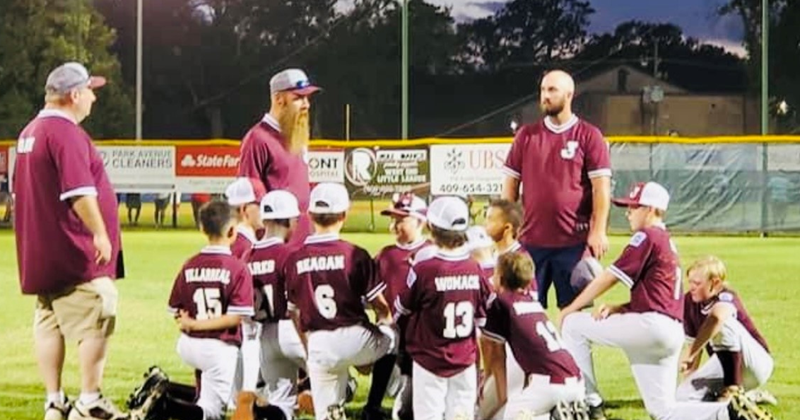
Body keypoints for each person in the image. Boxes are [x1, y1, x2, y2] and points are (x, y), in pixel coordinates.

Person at [558, 182, 772, 420]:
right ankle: (730, 412)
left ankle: (589, 404)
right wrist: (621, 308)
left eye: (633, 207)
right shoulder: (667, 242)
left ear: (650, 210)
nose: (628, 212)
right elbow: (659, 298)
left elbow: (609, 277)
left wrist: (571, 307)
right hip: (670, 332)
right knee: (663, 412)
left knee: (573, 324)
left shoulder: (647, 235)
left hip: (651, 327)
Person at [12, 62, 126, 420]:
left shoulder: (30, 131)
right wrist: (100, 232)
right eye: (90, 90)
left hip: (39, 250)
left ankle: (54, 401)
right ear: (74, 95)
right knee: (102, 305)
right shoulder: (66, 133)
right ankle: (90, 399)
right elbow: (78, 192)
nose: (93, 97)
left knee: (50, 321)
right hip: (71, 250)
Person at [131, 201, 255, 420]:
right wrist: (198, 325)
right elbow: (236, 317)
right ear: (232, 231)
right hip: (219, 347)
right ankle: (166, 406)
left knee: (204, 396)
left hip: (189, 344)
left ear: (201, 229)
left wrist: (190, 324)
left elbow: (175, 309)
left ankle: (164, 388)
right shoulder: (237, 268)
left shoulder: (190, 264)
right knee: (213, 413)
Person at [284, 182, 395, 420]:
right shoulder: (355, 254)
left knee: (327, 414)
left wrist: (307, 347)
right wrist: (380, 335)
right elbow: (383, 308)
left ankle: (342, 396)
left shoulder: (294, 259)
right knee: (394, 336)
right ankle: (395, 387)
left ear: (310, 214)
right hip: (357, 339)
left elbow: (293, 313)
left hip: (318, 342)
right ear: (344, 215)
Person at [501, 69, 611, 309]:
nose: (545, 96)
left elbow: (601, 188)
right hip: (530, 242)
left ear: (569, 94)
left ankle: (574, 349)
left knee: (574, 315)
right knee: (523, 312)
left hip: (574, 242)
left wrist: (598, 230)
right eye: (542, 90)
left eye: (552, 90)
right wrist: (506, 228)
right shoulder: (526, 136)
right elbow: (510, 185)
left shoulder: (589, 135)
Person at [394, 196, 492, 420]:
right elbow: (483, 318)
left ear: (431, 227)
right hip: (465, 358)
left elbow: (401, 309)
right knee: (461, 415)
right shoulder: (475, 268)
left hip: (429, 358)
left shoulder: (425, 268)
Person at [480, 252, 586, 420]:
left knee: (499, 417)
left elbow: (496, 357)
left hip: (548, 385)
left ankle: (552, 416)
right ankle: (554, 415)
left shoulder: (501, 303)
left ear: (499, 277)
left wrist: (496, 393)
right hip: (577, 381)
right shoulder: (531, 301)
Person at [363, 192, 430, 420]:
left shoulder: (431, 252)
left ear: (420, 221)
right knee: (387, 334)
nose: (394, 225)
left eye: (401, 219)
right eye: (393, 219)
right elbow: (368, 294)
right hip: (396, 332)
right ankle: (372, 405)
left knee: (408, 409)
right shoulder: (385, 256)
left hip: (425, 337)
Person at [238, 68, 321, 245]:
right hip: (278, 242)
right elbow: (250, 197)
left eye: (307, 98)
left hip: (304, 238)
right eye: (298, 98)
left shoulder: (296, 135)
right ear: (278, 99)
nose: (306, 104)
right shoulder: (257, 138)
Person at [244, 190, 307, 420]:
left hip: (264, 334)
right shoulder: (290, 254)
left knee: (281, 403)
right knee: (334, 381)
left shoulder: (248, 256)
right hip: (291, 328)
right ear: (289, 220)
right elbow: (298, 303)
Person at [678, 256, 774, 404]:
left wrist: (690, 354)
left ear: (715, 283)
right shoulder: (689, 303)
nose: (691, 287)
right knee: (682, 397)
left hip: (755, 364)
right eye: (690, 282)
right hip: (725, 366)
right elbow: (693, 350)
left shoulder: (726, 296)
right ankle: (746, 397)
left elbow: (717, 318)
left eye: (697, 283)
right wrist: (688, 382)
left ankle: (733, 389)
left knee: (722, 322)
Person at [224, 177, 268, 408]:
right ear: (244, 209)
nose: (264, 209)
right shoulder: (244, 245)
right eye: (259, 204)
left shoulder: (234, 239)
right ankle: (247, 394)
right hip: (238, 332)